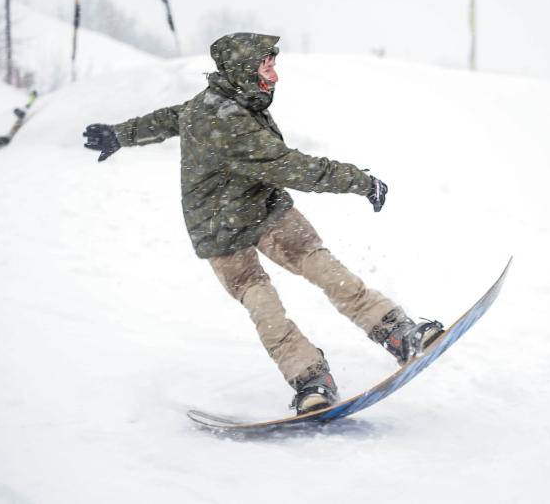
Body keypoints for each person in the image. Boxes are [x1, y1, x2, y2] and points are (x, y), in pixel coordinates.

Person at [83, 33, 443, 415]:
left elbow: (170, 117)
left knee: (324, 267)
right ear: (242, 71)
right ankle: (311, 378)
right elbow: (295, 168)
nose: (274, 76)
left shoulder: (223, 100)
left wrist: (120, 134)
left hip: (263, 206)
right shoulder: (229, 123)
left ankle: (396, 333)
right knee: (264, 306)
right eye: (267, 67)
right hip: (220, 230)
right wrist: (360, 181)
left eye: (273, 66)